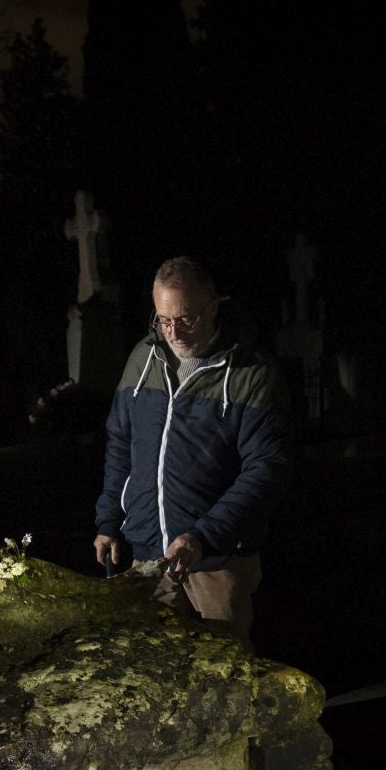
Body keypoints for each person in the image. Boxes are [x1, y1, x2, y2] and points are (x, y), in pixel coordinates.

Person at [93, 256, 292, 651]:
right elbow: (120, 443)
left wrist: (204, 536)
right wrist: (109, 519)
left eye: (186, 319)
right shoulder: (142, 359)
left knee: (226, 676)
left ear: (213, 306)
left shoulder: (251, 373)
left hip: (218, 561)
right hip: (150, 557)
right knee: (154, 672)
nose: (173, 332)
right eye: (163, 320)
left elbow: (266, 469)